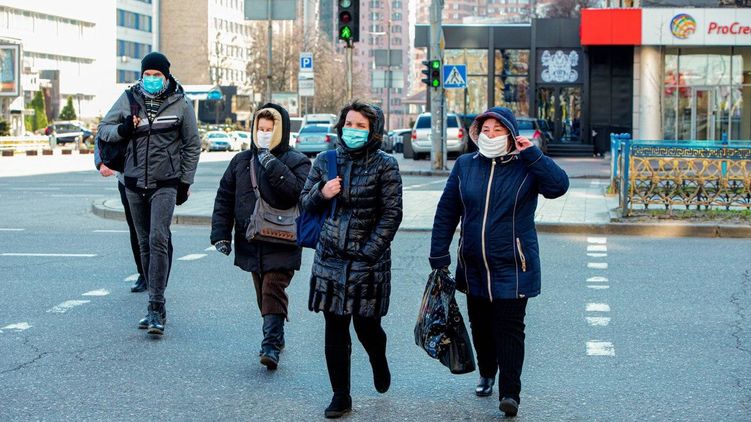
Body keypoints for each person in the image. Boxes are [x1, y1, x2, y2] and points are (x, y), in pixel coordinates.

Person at [429, 106, 569, 417]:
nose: (490, 135)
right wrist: (439, 253)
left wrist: (533, 155)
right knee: (480, 327)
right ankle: (486, 372)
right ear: (477, 134)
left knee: (509, 329)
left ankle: (510, 392)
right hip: (474, 264)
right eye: (485, 130)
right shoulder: (465, 165)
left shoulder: (526, 165)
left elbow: (558, 187)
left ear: (510, 134)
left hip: (514, 264)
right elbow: (447, 211)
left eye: (498, 130)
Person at [300, 102, 403, 419]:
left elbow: (391, 215)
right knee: (334, 325)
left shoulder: (385, 165)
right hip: (330, 257)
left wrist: (369, 252)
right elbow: (305, 203)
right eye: (349, 124)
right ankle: (340, 396)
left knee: (366, 326)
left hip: (367, 260)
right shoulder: (325, 160)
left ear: (373, 131)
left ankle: (377, 357)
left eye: (360, 126)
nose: (353, 130)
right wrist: (322, 192)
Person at [98, 52, 201, 337]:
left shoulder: (181, 103)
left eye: (157, 75)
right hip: (132, 181)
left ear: (166, 77)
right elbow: (103, 130)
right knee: (143, 243)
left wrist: (184, 182)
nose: (152, 79)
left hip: (165, 182)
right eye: (148, 74)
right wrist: (122, 129)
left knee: (158, 238)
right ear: (141, 75)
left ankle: (156, 306)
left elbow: (192, 145)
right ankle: (153, 301)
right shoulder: (129, 99)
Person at [210, 103, 310, 370]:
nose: (264, 134)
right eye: (260, 129)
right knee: (262, 293)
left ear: (281, 131)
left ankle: (270, 345)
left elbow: (299, 192)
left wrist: (272, 164)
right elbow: (225, 197)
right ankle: (276, 333)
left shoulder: (297, 161)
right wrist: (221, 234)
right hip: (252, 240)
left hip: (284, 239)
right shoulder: (241, 161)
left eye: (270, 129)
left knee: (272, 288)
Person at [94, 135, 174, 294]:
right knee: (137, 230)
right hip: (128, 179)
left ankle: (159, 280)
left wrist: (185, 180)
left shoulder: (167, 118)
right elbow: (102, 133)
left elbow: (186, 142)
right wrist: (101, 162)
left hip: (161, 179)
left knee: (160, 231)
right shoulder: (123, 116)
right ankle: (144, 274)